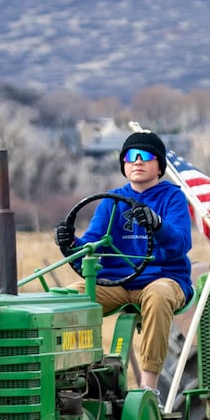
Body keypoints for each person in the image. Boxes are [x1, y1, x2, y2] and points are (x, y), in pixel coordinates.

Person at [55, 130, 193, 392]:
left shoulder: (172, 197)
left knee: (159, 295)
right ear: (124, 165)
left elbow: (180, 244)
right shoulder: (111, 202)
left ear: (159, 165)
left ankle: (148, 389)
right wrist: (70, 243)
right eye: (131, 156)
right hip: (116, 284)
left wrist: (157, 224)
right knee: (68, 300)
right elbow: (92, 244)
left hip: (162, 279)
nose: (137, 161)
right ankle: (76, 379)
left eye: (145, 155)